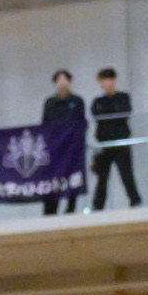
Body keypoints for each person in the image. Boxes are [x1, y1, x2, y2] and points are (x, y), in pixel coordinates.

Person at [93, 69, 141, 210]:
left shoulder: (123, 97)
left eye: (108, 80)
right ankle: (98, 206)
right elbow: (97, 116)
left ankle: (135, 201)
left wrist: (109, 112)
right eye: (102, 81)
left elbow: (124, 113)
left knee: (127, 174)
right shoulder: (98, 101)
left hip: (121, 142)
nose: (105, 83)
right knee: (102, 178)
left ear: (113, 80)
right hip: (105, 144)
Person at [42, 70, 87, 216]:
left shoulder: (77, 101)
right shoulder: (49, 102)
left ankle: (70, 208)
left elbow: (81, 122)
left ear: (69, 81)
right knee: (53, 178)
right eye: (59, 80)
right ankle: (50, 210)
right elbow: (45, 124)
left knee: (72, 176)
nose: (62, 82)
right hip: (55, 148)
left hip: (72, 147)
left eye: (65, 79)